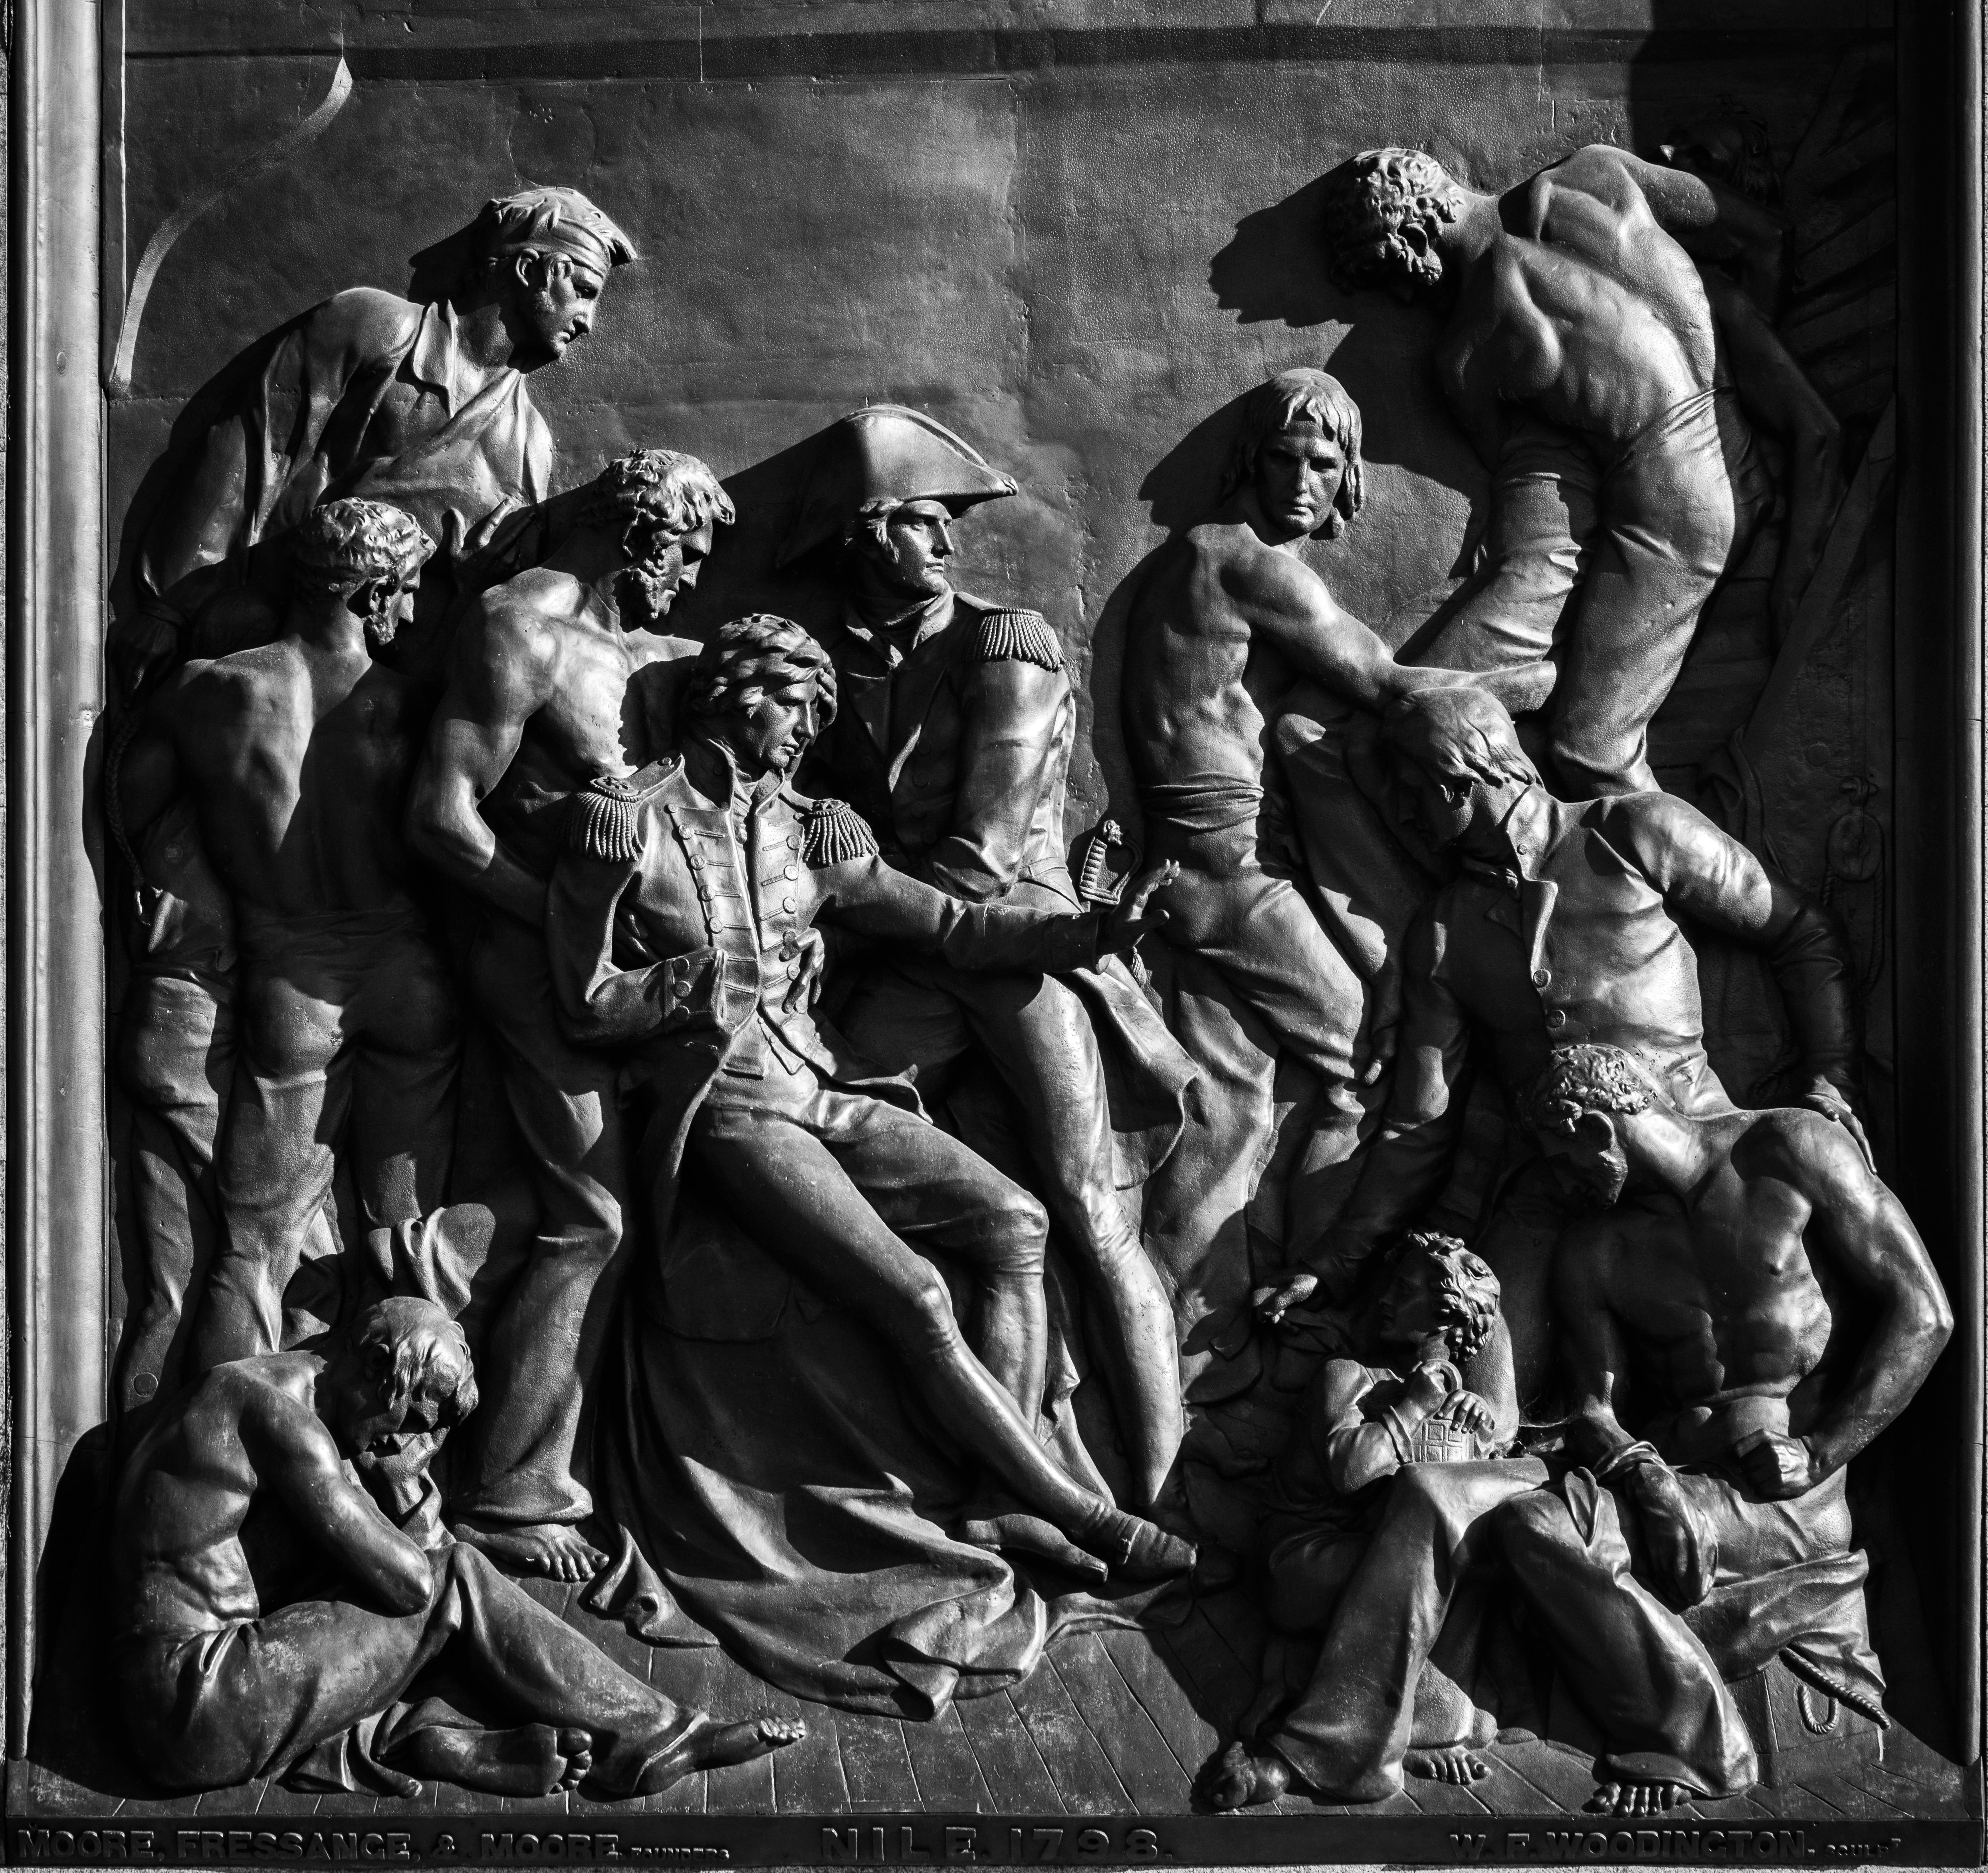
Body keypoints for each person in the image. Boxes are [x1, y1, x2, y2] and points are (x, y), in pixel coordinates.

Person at [545, 613, 1195, 1582]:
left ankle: (994, 1503)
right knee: (917, 1295)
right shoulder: (623, 822)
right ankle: (1079, 1514)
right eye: (796, 711)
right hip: (728, 1110)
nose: (807, 735)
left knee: (1017, 1223)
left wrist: (1095, 937)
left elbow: (957, 928)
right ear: (740, 696)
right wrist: (687, 985)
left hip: (825, 1086)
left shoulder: (814, 833)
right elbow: (583, 1002)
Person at [788, 404, 1198, 1512]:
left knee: (1089, 1210)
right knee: (811, 1145)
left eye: (948, 523)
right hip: (925, 956)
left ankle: (1161, 1487)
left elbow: (980, 857)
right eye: (922, 520)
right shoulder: (824, 666)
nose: (946, 541)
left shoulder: (1004, 645)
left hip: (1021, 953)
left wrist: (851, 900)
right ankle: (943, 1449)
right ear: (865, 532)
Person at [1257, 686, 1865, 1402]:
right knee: (1484, 1401)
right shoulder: (1444, 933)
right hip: (1554, 1190)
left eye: (1409, 790)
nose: (1404, 811)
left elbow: (1799, 930)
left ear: (1457, 780)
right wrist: (1334, 1262)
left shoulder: (1633, 831)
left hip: (1692, 1141)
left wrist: (1831, 1074)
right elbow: (1420, 1126)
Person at [408, 448, 740, 1580]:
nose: (689, 581)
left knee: (631, 1194)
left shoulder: (643, 652)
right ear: (640, 533)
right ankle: (510, 1490)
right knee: (592, 1216)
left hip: (634, 977)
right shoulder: (522, 630)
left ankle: (423, 1288)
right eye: (686, 555)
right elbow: (442, 818)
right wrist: (560, 924)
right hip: (532, 966)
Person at [1487, 1044, 1952, 1814]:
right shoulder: (1597, 1250)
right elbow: (1594, 1409)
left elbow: (1924, 1313)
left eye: (1563, 1159)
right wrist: (1646, 1478)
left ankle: (1698, 1750)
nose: (1563, 1183)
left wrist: (1819, 1453)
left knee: (1541, 1530)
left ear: (1598, 1129)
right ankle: (1688, 1729)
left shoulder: (1790, 1150)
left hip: (1786, 1501)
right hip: (1673, 1489)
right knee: (1526, 1526)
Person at [110, 1295, 802, 1799]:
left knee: (406, 1580)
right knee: (454, 1576)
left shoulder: (261, 1392)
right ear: (375, 1366)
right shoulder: (282, 1420)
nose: (396, 1442)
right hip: (200, 1700)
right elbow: (415, 1584)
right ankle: (658, 1740)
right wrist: (399, 1484)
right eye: (405, 1421)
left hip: (181, 1699)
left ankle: (430, 1741)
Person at [1122, 369, 1549, 1173]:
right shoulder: (1238, 560)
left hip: (1215, 866)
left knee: (1230, 1116)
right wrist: (1536, 685)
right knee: (1373, 1060)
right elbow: (1384, 685)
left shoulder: (1212, 558)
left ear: (1348, 477)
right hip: (1226, 870)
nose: (1301, 483)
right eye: (1284, 459)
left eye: (1322, 465)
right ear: (1251, 461)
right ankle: (1337, 1246)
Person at [1320, 145, 1843, 791]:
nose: (1403, 294)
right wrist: (1743, 391)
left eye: (1390, 274)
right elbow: (1766, 240)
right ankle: (1539, 685)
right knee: (1570, 680)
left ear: (1415, 238)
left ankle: (1695, 864)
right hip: (1733, 446)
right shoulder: (1596, 175)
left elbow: (1543, 513)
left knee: (1590, 753)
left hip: (1673, 518)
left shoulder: (1468, 356)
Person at [118, 500, 460, 1372]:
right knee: (405, 1240)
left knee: (253, 1253)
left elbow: (133, 817)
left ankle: (226, 1436)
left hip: (293, 988)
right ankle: (404, 1427)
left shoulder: (207, 693)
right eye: (407, 591)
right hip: (411, 983)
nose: (413, 611)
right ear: (371, 593)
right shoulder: (416, 707)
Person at [120, 185, 638, 693]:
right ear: (528, 270)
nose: (588, 322)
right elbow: (252, 453)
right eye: (583, 291)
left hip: (394, 686)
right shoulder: (375, 329)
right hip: (276, 641)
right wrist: (170, 610)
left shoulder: (531, 442)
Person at [1200, 1235, 1528, 1809]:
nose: (1384, 1300)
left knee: (1463, 1558)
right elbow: (1351, 1472)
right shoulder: (1347, 1376)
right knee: (1425, 1562)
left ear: (1445, 1315)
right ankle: (1327, 1754)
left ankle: (1396, 1729)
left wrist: (1482, 1426)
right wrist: (1411, 1408)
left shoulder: (1461, 1404)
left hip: (1381, 1567)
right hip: (1302, 1562)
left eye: (1403, 1291)